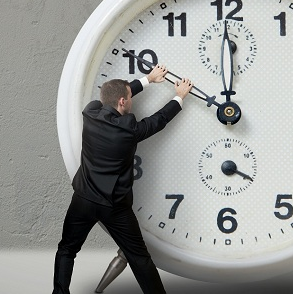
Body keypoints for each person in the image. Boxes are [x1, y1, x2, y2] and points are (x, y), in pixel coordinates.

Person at [53, 64, 193, 294]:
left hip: (83, 200)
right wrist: (179, 97)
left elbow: (116, 95)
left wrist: (147, 79)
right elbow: (158, 120)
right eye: (129, 97)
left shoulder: (90, 113)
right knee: (139, 258)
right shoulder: (129, 129)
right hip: (115, 208)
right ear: (122, 102)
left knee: (67, 249)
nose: (131, 100)